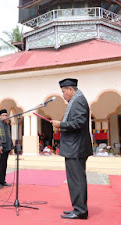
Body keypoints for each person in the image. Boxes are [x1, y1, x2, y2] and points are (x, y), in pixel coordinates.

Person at [51, 78, 93, 220]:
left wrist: (61, 125)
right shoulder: (76, 99)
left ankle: (80, 210)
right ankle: (77, 208)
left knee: (77, 180)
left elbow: (79, 123)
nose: (63, 95)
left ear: (70, 89)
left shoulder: (79, 100)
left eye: (64, 92)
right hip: (74, 147)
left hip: (76, 147)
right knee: (75, 179)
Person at [0, 109, 14, 187]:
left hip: (7, 147)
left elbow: (9, 136)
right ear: (0, 116)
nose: (5, 117)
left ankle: (3, 180)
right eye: (3, 115)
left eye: (6, 115)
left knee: (4, 165)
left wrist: (11, 147)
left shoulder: (7, 125)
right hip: (1, 148)